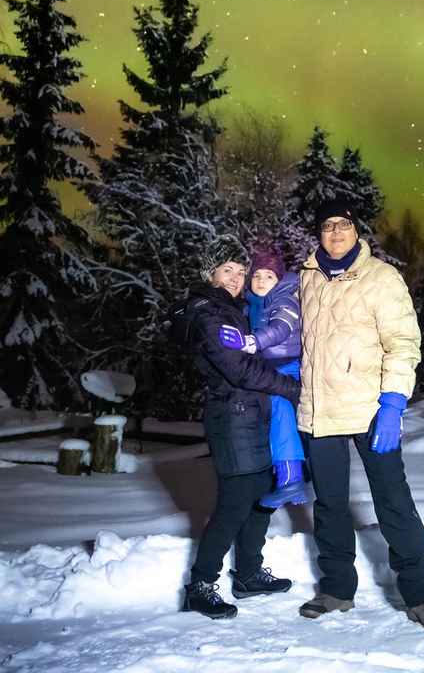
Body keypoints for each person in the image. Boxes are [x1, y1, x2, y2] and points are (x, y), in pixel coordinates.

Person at [294, 198, 424, 631]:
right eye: (327, 225)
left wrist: (393, 403)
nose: (336, 232)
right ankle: (336, 589)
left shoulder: (382, 277)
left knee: (392, 500)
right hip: (319, 411)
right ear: (319, 233)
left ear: (356, 230)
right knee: (329, 504)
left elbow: (403, 343)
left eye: (343, 224)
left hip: (370, 409)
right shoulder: (307, 278)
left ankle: (420, 595)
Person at [170, 240, 303, 620]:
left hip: (251, 413)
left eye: (240, 271)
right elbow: (239, 368)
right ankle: (200, 586)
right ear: (210, 272)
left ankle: (248, 574)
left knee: (260, 495)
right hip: (231, 415)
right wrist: (292, 387)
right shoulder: (208, 312)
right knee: (235, 502)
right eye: (227, 269)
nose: (236, 277)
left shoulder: (233, 308)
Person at [216, 247, 308, 508]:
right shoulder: (253, 304)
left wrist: (251, 341)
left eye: (269, 276)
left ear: (279, 280)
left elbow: (281, 328)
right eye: (256, 275)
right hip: (270, 368)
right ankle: (285, 477)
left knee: (279, 408)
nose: (261, 281)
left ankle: (291, 478)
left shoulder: (284, 300)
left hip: (287, 366)